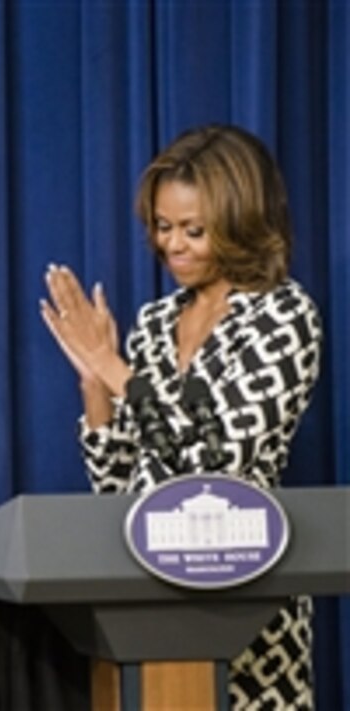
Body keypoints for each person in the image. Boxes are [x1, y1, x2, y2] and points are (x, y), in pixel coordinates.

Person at [41, 125, 321, 710]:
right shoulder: (155, 321)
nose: (174, 246)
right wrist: (95, 383)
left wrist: (116, 368)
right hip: (144, 599)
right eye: (163, 228)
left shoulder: (283, 315)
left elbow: (219, 465)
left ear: (241, 219)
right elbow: (119, 485)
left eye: (194, 230)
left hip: (244, 601)